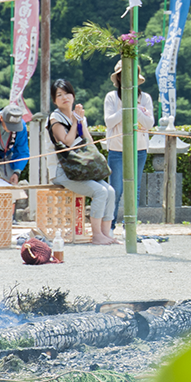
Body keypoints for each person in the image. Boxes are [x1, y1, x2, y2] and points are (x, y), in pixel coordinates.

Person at [48, 79, 119, 245]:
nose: (65, 97)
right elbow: (66, 141)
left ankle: (105, 233)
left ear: (73, 95)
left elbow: (88, 141)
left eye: (67, 93)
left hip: (81, 169)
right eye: (59, 95)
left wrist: (80, 121)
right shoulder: (54, 118)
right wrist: (75, 122)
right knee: (100, 192)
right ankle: (96, 235)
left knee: (110, 191)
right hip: (63, 171)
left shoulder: (79, 117)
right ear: (54, 100)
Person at [104, 60, 154, 230]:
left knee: (135, 189)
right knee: (115, 189)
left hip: (139, 149)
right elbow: (109, 122)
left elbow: (149, 123)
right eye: (122, 76)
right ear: (118, 78)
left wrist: (135, 109)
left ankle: (129, 226)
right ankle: (110, 225)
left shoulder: (145, 98)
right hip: (117, 149)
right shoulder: (111, 97)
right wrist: (126, 108)